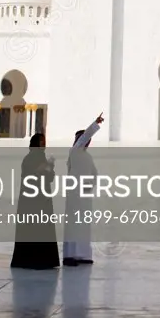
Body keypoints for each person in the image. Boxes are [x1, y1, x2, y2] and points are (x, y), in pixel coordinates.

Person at [10, 132, 60, 270]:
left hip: (43, 199)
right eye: (42, 143)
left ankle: (45, 260)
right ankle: (29, 260)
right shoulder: (29, 158)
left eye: (44, 143)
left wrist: (51, 167)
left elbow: (48, 177)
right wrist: (47, 165)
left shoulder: (41, 158)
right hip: (31, 201)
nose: (44, 145)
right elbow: (34, 173)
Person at [62, 112, 103, 267]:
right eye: (84, 139)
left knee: (83, 225)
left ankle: (83, 254)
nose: (86, 142)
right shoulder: (74, 151)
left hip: (85, 196)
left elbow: (95, 174)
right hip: (74, 195)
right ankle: (69, 255)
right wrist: (95, 123)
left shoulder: (88, 157)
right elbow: (84, 137)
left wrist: (88, 186)